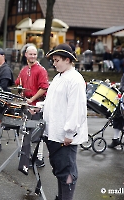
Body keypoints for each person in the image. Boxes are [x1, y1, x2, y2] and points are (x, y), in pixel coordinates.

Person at [43, 43, 88, 200]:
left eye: (57, 60)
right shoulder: (58, 77)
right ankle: (61, 197)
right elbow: (53, 102)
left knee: (67, 171)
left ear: (68, 60)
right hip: (54, 132)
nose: (54, 63)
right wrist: (40, 108)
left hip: (65, 136)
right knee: (59, 169)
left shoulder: (75, 80)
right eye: (53, 60)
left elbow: (76, 109)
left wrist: (70, 133)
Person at [15, 45, 49, 168]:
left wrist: (32, 99)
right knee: (26, 132)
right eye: (31, 54)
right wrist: (20, 92)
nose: (33, 56)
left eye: (35, 54)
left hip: (37, 105)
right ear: (26, 55)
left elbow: (44, 87)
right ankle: (28, 156)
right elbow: (18, 83)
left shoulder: (41, 70)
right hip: (27, 105)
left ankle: (39, 158)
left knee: (37, 134)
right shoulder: (24, 70)